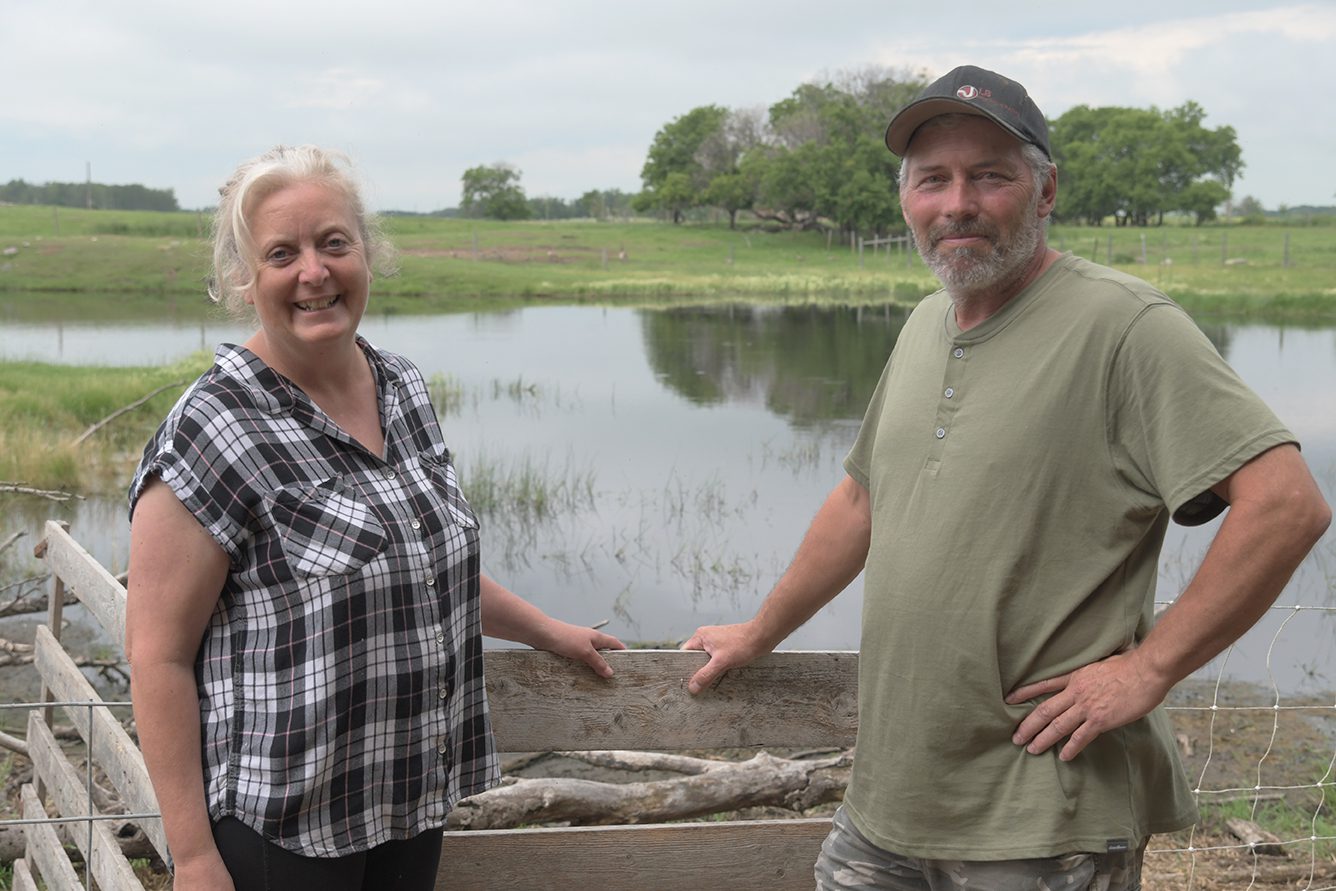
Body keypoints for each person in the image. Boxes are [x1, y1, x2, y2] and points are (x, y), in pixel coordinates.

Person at [682, 66, 1330, 890]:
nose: (958, 203)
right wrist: (759, 631)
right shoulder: (923, 325)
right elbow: (860, 501)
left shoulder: (1124, 326)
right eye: (933, 180)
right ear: (908, 200)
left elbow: (1285, 504)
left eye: (990, 175)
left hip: (1041, 816)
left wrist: (1148, 668)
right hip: (890, 803)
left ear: (1045, 189)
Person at [124, 144, 624, 891]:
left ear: (366, 253)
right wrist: (194, 856)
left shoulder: (401, 386)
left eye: (334, 243)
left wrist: (549, 629)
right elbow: (156, 656)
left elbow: (422, 566)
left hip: (406, 799)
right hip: (282, 827)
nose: (314, 272)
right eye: (282, 253)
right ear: (243, 278)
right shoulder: (215, 428)